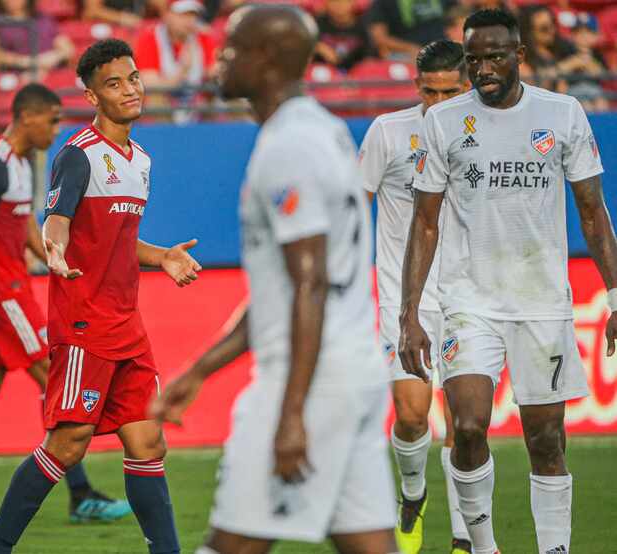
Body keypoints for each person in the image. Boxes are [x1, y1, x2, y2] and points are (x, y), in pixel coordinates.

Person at [151, 6, 398, 554]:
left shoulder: (289, 146)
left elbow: (308, 285)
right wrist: (200, 371)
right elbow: (284, 290)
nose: (219, 56)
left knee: (231, 545)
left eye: (232, 47)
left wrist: (291, 414)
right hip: (351, 372)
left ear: (264, 59)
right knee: (369, 544)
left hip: (309, 382)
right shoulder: (323, 130)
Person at [400, 9, 617, 554]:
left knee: (546, 439)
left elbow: (592, 211)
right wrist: (409, 315)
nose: (483, 69)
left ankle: (554, 549)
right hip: (468, 301)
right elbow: (424, 221)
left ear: (519, 55)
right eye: (473, 59)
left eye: (494, 56)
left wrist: (615, 295)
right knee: (469, 427)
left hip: (542, 303)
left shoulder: (562, 113)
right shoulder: (444, 122)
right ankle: (483, 547)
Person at [0, 40, 202, 553]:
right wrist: (53, 250)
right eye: (113, 83)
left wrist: (163, 256)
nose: (129, 89)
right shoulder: (77, 156)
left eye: (133, 78)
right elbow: (56, 221)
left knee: (149, 441)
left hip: (128, 323)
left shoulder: (140, 160)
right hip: (84, 324)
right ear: (92, 96)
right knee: (68, 444)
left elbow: (118, 241)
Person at [0, 83, 131, 529]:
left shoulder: (20, 163)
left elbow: (22, 227)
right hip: (3, 297)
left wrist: (57, 262)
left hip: (8, 292)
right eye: (53, 119)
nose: (55, 129)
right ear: (27, 117)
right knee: (55, 376)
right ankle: (81, 495)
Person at [358, 39, 471, 554]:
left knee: (467, 424)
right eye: (430, 91)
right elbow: (355, 206)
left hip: (471, 297)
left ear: (467, 85)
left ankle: (466, 537)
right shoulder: (388, 132)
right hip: (405, 298)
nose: (438, 102)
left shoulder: (484, 134)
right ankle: (413, 495)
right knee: (410, 413)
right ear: (417, 85)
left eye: (450, 91)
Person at [0, 0, 75, 73]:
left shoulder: (43, 18)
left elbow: (68, 49)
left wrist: (48, 60)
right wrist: (26, 62)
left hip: (50, 71)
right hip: (16, 75)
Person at [367, 0, 451, 61]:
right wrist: (411, 49)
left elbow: (459, 16)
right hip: (407, 55)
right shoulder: (382, 3)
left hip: (446, 49)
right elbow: (379, 38)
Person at [313, 0, 370, 71]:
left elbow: (368, 58)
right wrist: (317, 46)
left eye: (343, 1)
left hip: (355, 75)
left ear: (352, 3)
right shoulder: (316, 24)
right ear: (327, 3)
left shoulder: (363, 26)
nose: (339, 5)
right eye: (334, 1)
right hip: (323, 74)